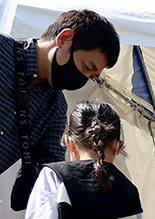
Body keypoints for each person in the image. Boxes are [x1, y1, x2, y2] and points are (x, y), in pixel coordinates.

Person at [1, 10, 120, 184]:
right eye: (85, 66)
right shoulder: (2, 51)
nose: (83, 78)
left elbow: (47, 177)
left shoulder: (55, 107)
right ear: (64, 39)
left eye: (91, 77)